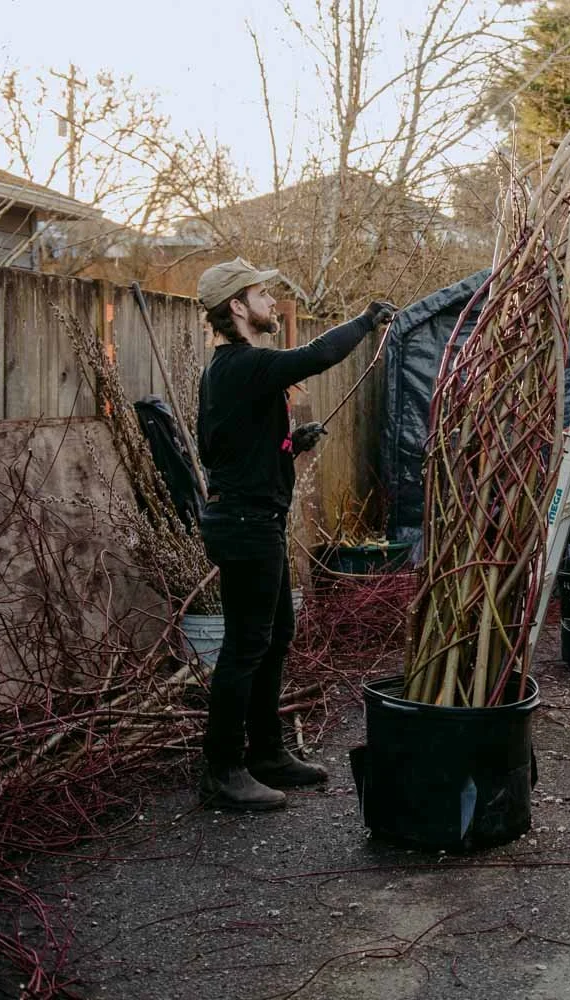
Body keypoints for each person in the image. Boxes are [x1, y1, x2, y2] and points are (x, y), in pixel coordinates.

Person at [194, 257, 395, 810]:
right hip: (244, 525)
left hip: (253, 521)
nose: (269, 303)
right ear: (237, 306)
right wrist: (364, 320)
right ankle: (223, 770)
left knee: (275, 635)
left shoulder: (229, 374)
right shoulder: (241, 363)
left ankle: (266, 752)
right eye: (261, 294)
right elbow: (317, 355)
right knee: (244, 647)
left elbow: (219, 448)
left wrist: (290, 444)